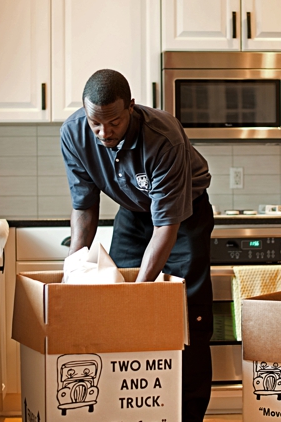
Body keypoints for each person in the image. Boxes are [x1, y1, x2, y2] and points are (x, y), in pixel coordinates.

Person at [60, 69, 214, 421]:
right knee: (117, 305)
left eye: (113, 122)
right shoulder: (74, 134)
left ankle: (187, 413)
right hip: (131, 211)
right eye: (95, 124)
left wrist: (140, 295)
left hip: (183, 216)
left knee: (185, 312)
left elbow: (165, 226)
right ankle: (132, 408)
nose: (103, 133)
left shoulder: (163, 136)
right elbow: (84, 209)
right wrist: (73, 273)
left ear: (131, 106)